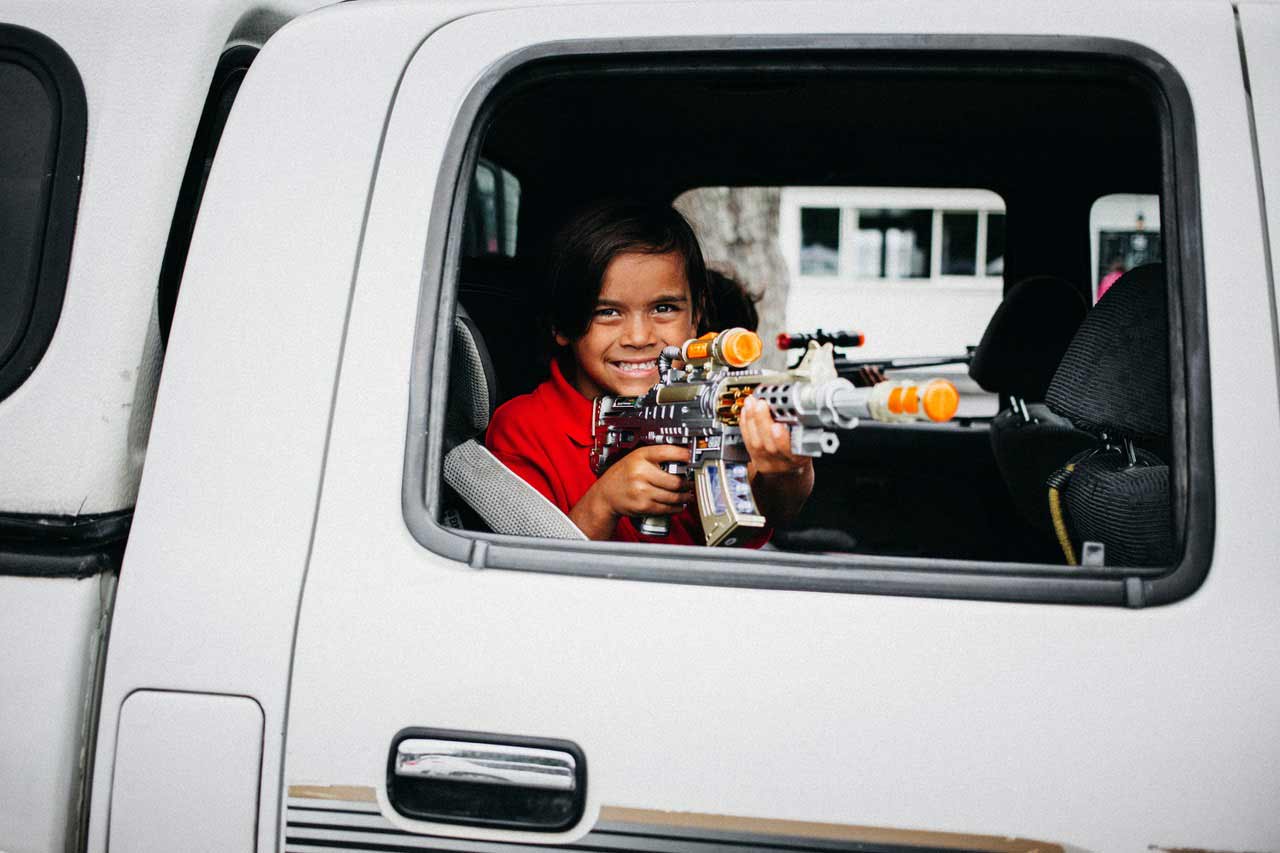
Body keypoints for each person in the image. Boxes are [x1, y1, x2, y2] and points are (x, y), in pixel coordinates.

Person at [485, 200, 814, 544]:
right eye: (608, 312)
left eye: (664, 308)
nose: (640, 338)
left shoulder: (708, 401)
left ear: (696, 315)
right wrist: (603, 504)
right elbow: (530, 572)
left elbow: (770, 510)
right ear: (562, 325)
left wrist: (788, 471)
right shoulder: (523, 427)